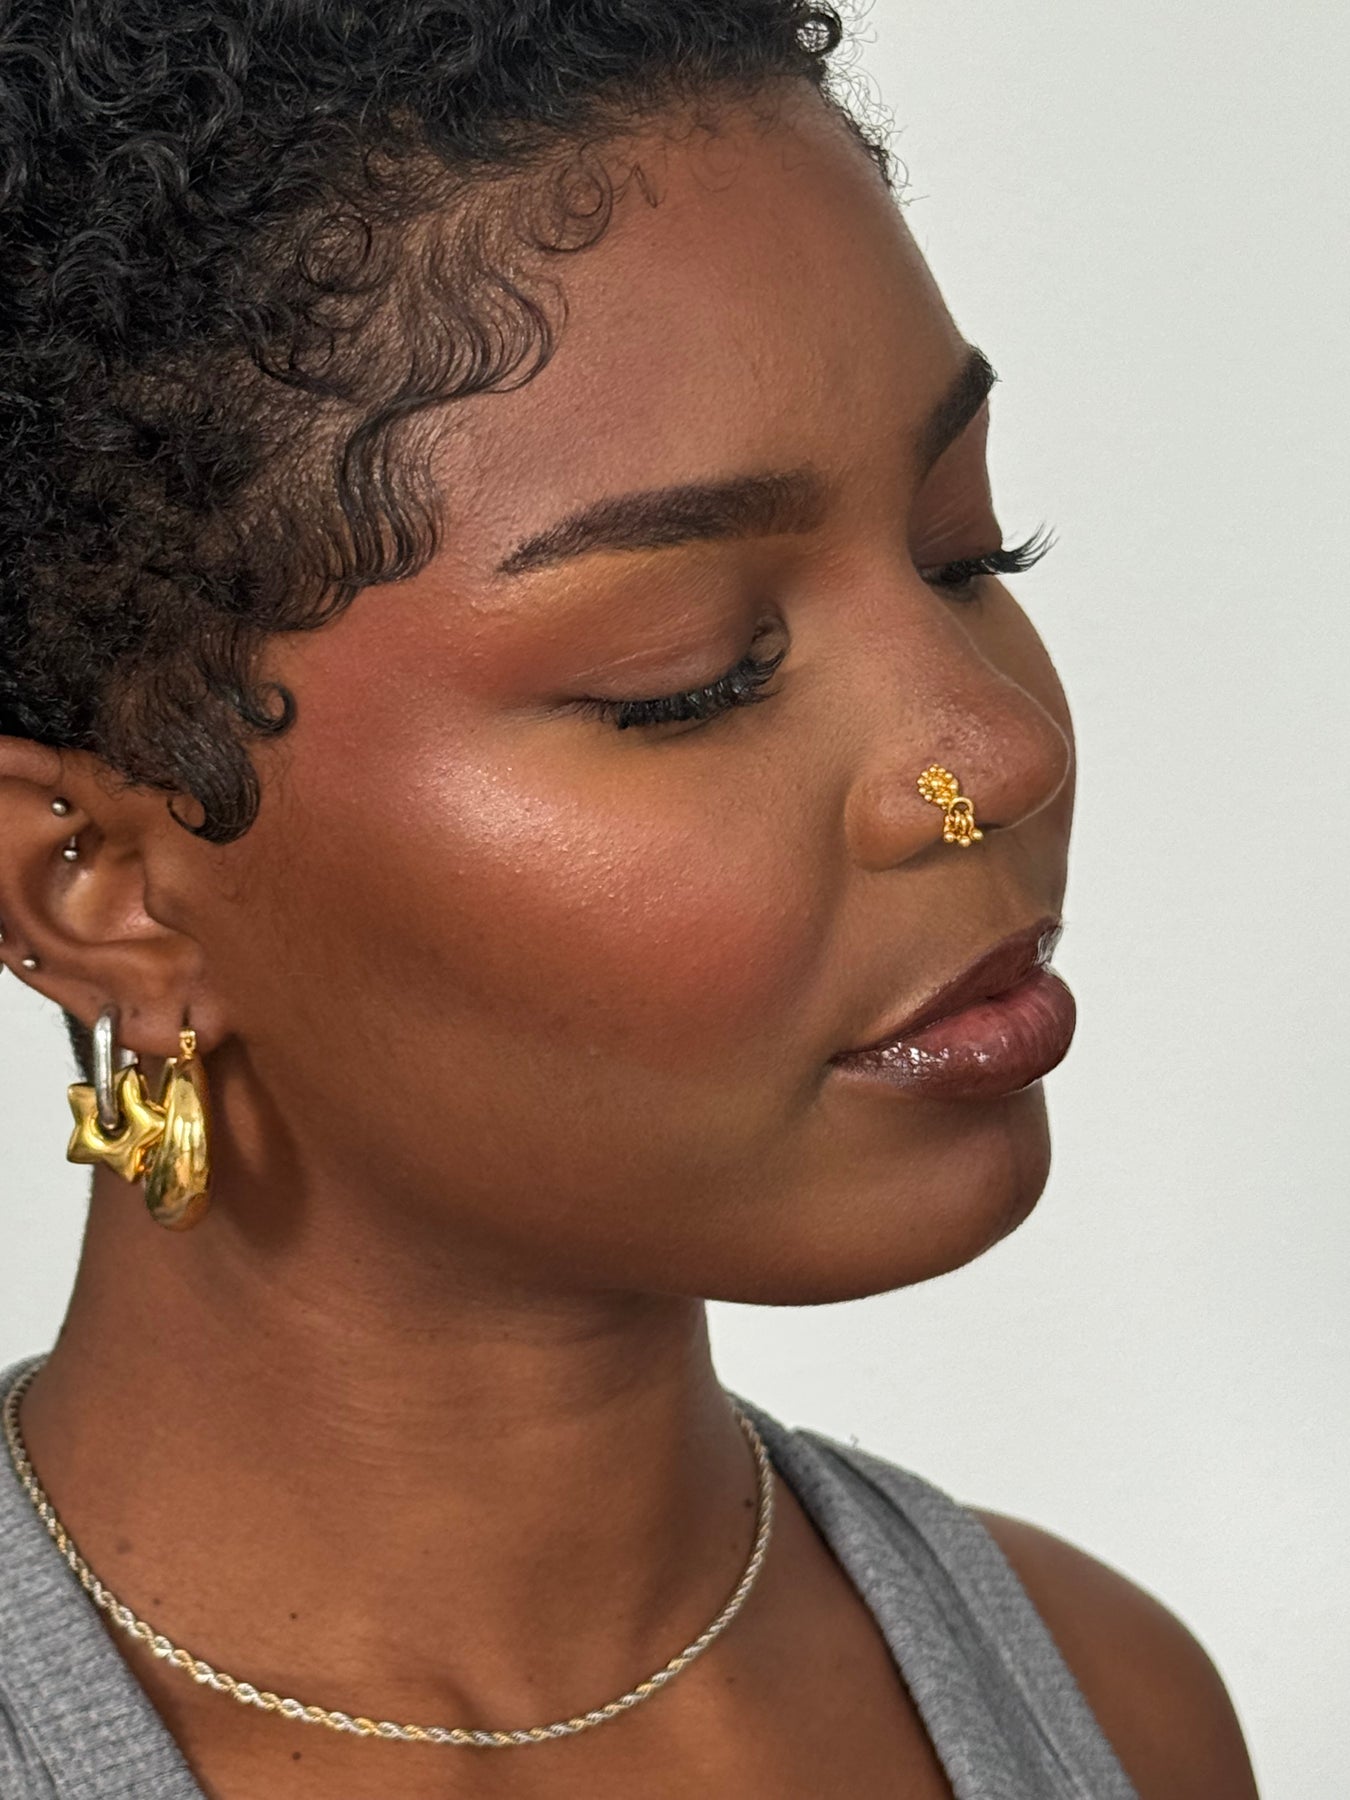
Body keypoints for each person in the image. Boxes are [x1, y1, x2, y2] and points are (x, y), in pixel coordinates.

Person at [0, 3, 1261, 1796]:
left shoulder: (1109, 1711)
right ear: (103, 889)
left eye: (964, 551)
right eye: (694, 677)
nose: (993, 751)